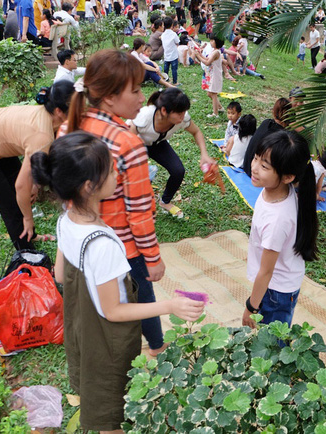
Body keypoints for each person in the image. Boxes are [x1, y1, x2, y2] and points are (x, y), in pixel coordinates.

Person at [32, 131, 204, 434]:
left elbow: (59, 275)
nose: (117, 173)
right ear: (89, 186)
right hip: (107, 341)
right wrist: (170, 305)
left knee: (97, 395)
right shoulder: (103, 245)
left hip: (82, 328)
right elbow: (113, 311)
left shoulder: (66, 219)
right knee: (112, 415)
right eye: (111, 170)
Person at [60, 49, 172, 363]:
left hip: (82, 239)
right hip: (123, 246)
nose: (142, 98)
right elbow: (139, 213)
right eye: (135, 90)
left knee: (95, 301)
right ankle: (157, 348)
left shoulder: (69, 126)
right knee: (141, 297)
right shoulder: (128, 144)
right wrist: (153, 259)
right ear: (109, 98)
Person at [0, 81, 75, 250]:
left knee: (21, 193)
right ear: (59, 111)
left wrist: (34, 185)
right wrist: (28, 218)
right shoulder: (42, 135)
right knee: (11, 206)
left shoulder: (45, 117)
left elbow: (30, 170)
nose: (81, 111)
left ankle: (30, 235)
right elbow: (21, 186)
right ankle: (28, 256)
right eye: (77, 106)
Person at [242, 130, 318, 328]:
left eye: (264, 166)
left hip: (277, 292)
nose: (255, 167)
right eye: (256, 158)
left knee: (274, 345)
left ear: (287, 177)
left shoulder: (277, 219)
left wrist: (251, 307)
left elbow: (266, 272)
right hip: (276, 282)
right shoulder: (274, 190)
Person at [129, 87, 216, 219]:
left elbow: (196, 132)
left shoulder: (182, 118)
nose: (183, 116)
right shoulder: (144, 116)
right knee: (137, 177)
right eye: (179, 113)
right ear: (164, 111)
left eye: (184, 112)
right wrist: (138, 163)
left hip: (158, 143)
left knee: (178, 171)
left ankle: (165, 202)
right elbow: (128, 142)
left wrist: (204, 154)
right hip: (136, 144)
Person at [242, 98, 291, 177]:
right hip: (256, 174)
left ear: (274, 112)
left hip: (247, 166)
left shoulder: (266, 122)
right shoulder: (281, 136)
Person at [191, 36, 223, 118]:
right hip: (210, 74)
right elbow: (207, 58)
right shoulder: (213, 51)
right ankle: (220, 107)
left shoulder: (216, 52)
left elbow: (207, 62)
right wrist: (200, 54)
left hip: (215, 75)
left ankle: (215, 113)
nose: (210, 42)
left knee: (213, 93)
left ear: (216, 42)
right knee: (210, 93)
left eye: (212, 41)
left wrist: (198, 56)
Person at [160, 17, 179, 85]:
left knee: (166, 69)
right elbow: (177, 42)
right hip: (173, 55)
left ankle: (166, 80)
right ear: (172, 25)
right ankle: (175, 81)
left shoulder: (163, 35)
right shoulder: (174, 34)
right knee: (174, 69)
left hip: (166, 55)